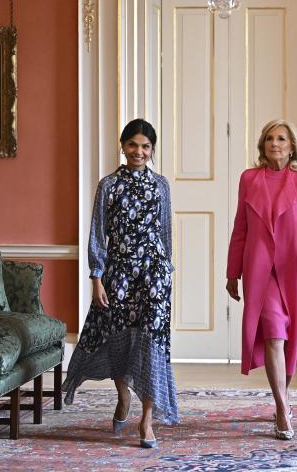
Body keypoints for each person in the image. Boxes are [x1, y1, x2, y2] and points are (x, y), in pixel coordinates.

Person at [63, 119, 179, 447]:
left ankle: (147, 420)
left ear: (152, 150)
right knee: (119, 341)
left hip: (154, 275)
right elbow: (98, 233)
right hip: (119, 273)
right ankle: (123, 396)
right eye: (133, 145)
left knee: (153, 343)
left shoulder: (161, 186)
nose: (138, 152)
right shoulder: (109, 185)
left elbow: (165, 231)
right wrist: (96, 277)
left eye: (145, 146)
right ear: (123, 146)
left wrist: (167, 271)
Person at [226, 119, 297, 440]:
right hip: (260, 270)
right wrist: (233, 272)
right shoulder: (249, 179)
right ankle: (282, 406)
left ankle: (282, 400)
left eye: (282, 139)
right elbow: (241, 227)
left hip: (294, 268)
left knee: (292, 337)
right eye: (270, 138)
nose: (275, 143)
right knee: (273, 333)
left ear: (292, 146)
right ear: (263, 145)